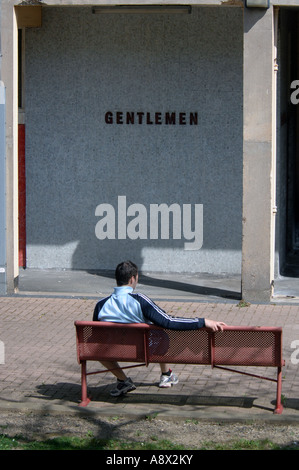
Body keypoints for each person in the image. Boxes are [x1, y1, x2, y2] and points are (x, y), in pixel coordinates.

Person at [93, 260, 227, 397]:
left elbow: (95, 337)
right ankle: (166, 374)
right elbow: (168, 321)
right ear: (132, 278)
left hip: (112, 351)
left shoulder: (100, 305)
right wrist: (202, 321)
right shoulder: (139, 300)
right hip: (142, 350)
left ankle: (123, 379)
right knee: (160, 333)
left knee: (97, 345)